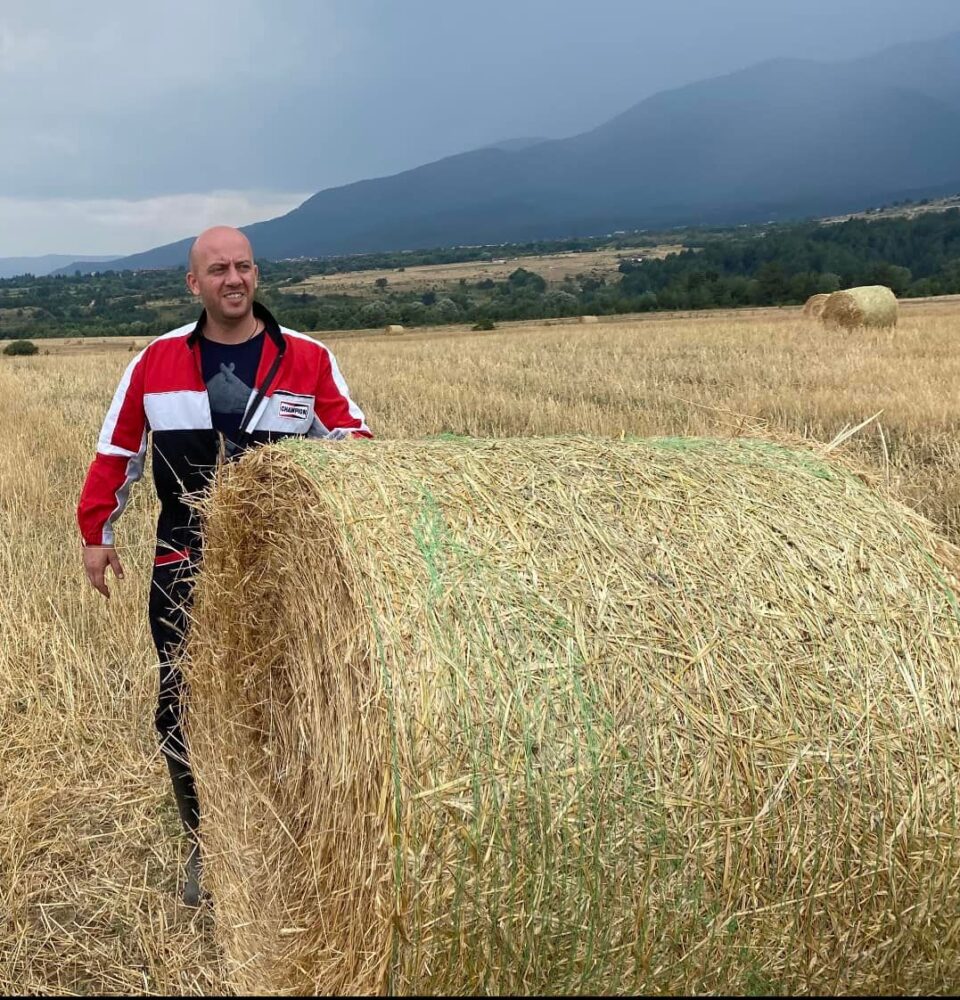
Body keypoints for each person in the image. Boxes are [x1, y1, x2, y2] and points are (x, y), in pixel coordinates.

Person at [77, 226, 371, 906]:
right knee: (182, 702)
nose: (232, 279)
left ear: (256, 275)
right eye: (217, 270)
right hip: (184, 559)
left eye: (242, 266)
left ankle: (294, 843)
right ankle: (205, 846)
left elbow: (357, 449)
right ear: (194, 283)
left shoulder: (307, 358)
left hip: (285, 568)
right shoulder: (155, 362)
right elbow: (118, 451)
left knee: (288, 700)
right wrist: (97, 530)